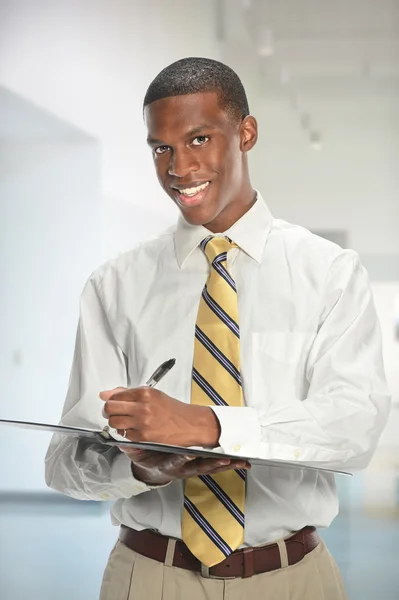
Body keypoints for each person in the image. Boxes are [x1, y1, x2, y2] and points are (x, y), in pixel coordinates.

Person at [45, 57, 391, 600]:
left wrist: (207, 425)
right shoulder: (114, 285)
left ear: (246, 133)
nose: (179, 168)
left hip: (294, 580)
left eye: (199, 138)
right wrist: (147, 472)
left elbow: (354, 426)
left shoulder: (329, 274)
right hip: (150, 576)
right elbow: (67, 466)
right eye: (161, 148)